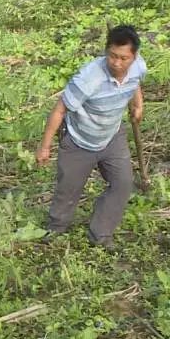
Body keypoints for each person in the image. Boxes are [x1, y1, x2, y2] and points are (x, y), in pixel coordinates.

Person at [36, 25, 146, 250]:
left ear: (134, 57)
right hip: (79, 140)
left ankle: (101, 233)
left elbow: (135, 84)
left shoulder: (138, 67)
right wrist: (44, 146)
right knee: (69, 188)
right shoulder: (89, 78)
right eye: (113, 56)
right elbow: (59, 110)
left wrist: (138, 104)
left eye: (124, 58)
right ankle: (56, 227)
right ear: (106, 51)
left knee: (122, 184)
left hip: (112, 136)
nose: (117, 63)